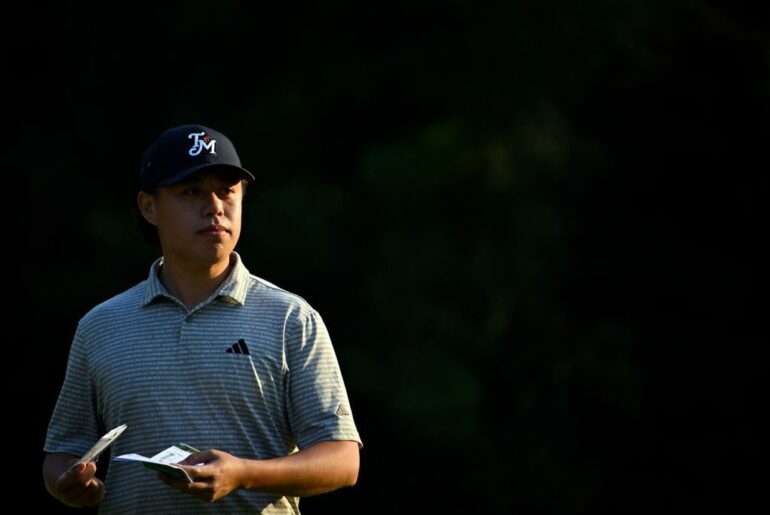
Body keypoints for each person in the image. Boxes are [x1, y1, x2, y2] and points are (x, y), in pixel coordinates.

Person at [42, 124, 362, 513]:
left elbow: (342, 461)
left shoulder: (291, 317)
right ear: (149, 207)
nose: (214, 206)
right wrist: (68, 484)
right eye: (191, 191)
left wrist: (243, 474)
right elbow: (63, 452)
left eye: (227, 191)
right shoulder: (100, 326)